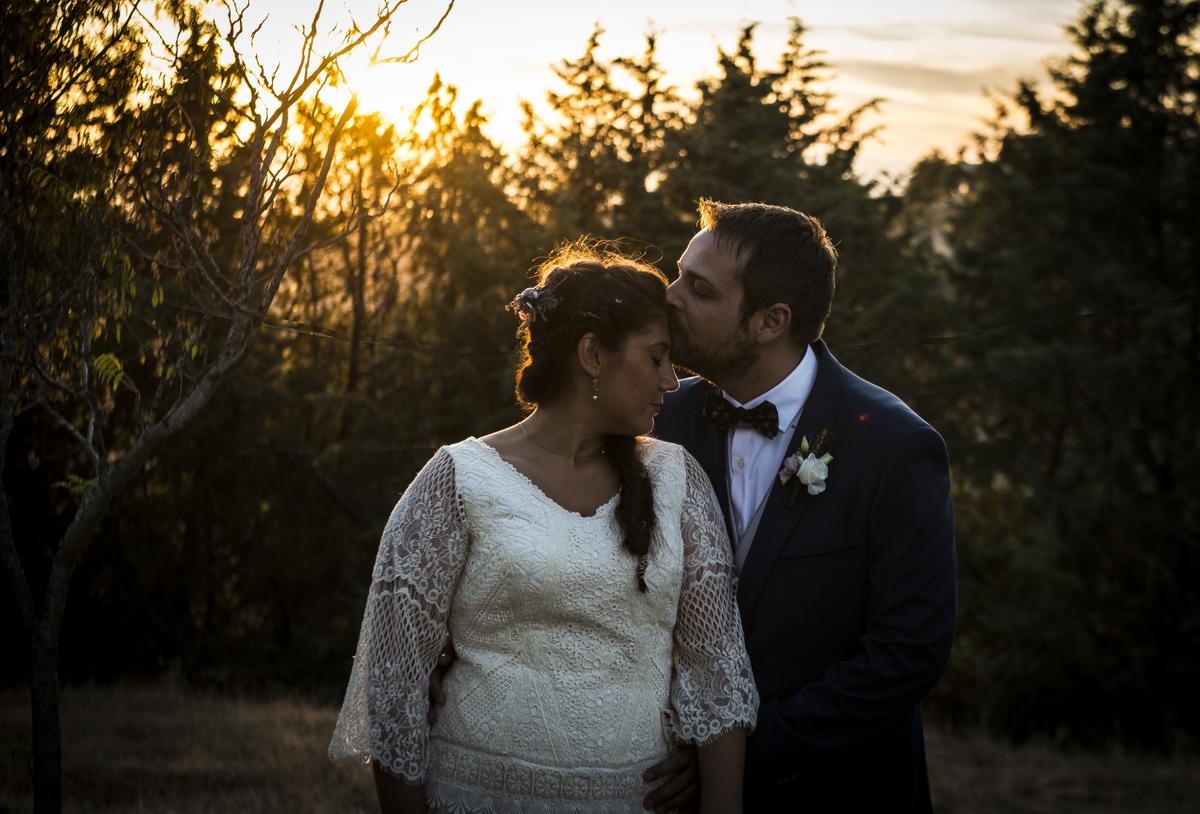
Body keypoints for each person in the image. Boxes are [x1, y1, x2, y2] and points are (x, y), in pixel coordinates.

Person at [328, 248, 759, 814]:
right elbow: (394, 689)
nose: (672, 381)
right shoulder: (458, 479)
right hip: (474, 796)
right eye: (657, 358)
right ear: (593, 355)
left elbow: (718, 677)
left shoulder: (678, 481)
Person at [650, 199, 957, 812]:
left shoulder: (895, 446)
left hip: (838, 788)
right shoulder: (657, 417)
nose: (670, 297)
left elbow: (909, 651)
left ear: (771, 321)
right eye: (679, 275)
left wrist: (738, 755)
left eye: (700, 290)